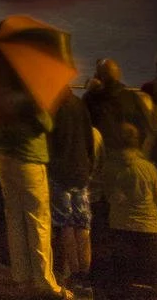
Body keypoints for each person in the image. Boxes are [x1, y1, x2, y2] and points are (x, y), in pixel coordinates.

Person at [0, 94, 64, 298]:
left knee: (14, 219)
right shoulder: (30, 93)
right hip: (29, 159)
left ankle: (22, 278)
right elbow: (46, 124)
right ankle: (44, 281)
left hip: (4, 158)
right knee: (38, 221)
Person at [99, 123, 157, 300]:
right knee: (152, 282)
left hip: (120, 225)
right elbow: (156, 198)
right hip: (148, 227)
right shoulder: (148, 168)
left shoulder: (110, 167)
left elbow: (109, 196)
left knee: (122, 281)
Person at [48, 84, 98, 288]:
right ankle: (86, 272)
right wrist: (89, 165)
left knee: (66, 224)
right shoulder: (79, 104)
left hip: (61, 175)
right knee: (83, 224)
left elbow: (51, 144)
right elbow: (89, 139)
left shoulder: (54, 108)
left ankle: (74, 272)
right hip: (81, 172)